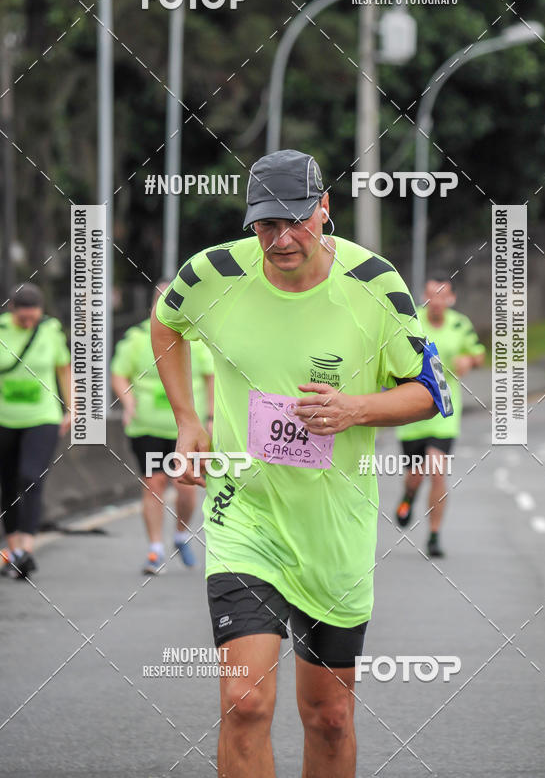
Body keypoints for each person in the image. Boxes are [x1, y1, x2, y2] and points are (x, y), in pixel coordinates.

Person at [151, 149, 453, 778]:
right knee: (244, 702)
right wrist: (187, 418)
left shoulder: (373, 285)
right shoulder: (213, 274)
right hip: (245, 517)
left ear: (324, 212)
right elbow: (166, 325)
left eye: (296, 221)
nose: (282, 239)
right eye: (266, 224)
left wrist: (355, 409)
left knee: (330, 717)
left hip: (333, 531)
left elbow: (430, 392)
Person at [111, 280, 214, 574]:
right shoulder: (136, 338)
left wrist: (210, 417)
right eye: (161, 301)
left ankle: (181, 533)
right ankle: (155, 548)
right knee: (153, 483)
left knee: (185, 487)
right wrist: (128, 402)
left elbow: (210, 376)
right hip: (147, 426)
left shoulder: (195, 337)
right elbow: (118, 374)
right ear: (152, 305)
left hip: (187, 430)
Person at [395, 275, 485, 557]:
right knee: (415, 476)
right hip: (411, 410)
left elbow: (478, 354)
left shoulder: (460, 324)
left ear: (451, 299)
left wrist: (468, 360)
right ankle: (408, 496)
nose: (436, 302)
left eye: (442, 296)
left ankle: (434, 535)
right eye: (431, 295)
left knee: (437, 471)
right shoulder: (412, 320)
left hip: (444, 411)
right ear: (425, 296)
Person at [0, 283, 71, 579]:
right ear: (12, 310)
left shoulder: (51, 330)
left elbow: (64, 369)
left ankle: (27, 549)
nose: (28, 323)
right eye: (23, 318)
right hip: (5, 419)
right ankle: (14, 548)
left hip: (42, 416)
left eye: (33, 317)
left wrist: (73, 408)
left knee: (31, 477)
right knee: (8, 482)